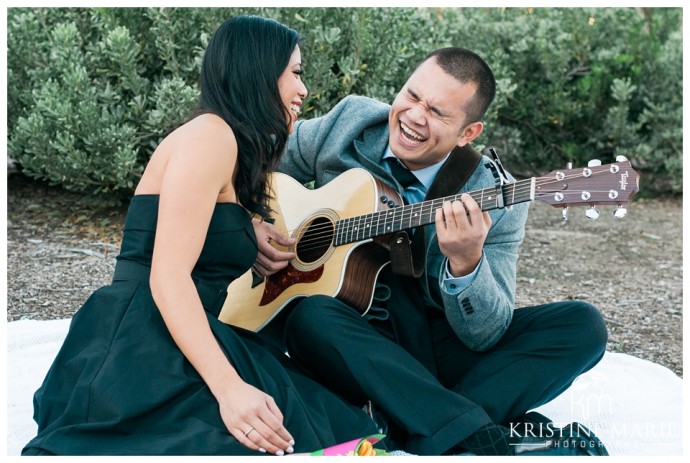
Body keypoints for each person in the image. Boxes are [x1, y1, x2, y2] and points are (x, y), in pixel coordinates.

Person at [21, 15, 380, 456]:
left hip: (184, 331)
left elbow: (193, 220)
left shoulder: (229, 145)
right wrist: (229, 390)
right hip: (140, 340)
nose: (303, 90)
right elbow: (167, 277)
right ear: (258, 71)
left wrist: (249, 232)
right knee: (257, 436)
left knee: (336, 427)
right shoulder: (211, 137)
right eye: (296, 73)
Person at [252, 47, 609, 456]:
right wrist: (252, 220)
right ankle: (468, 431)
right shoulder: (350, 123)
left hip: (427, 343)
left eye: (438, 113)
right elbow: (250, 161)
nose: (414, 116)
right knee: (310, 316)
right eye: (411, 96)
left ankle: (417, 421)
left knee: (582, 326)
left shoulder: (498, 197)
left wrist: (467, 263)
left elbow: (486, 334)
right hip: (348, 335)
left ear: (468, 133)